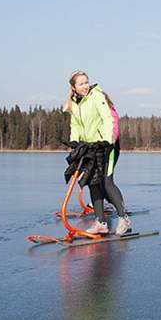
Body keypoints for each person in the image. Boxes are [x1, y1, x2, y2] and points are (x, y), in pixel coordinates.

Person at [65, 71, 130, 235]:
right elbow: (76, 124)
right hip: (90, 147)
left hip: (107, 145)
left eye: (86, 82)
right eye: (81, 84)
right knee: (93, 182)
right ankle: (100, 223)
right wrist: (74, 140)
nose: (85, 86)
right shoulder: (75, 103)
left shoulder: (96, 96)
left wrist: (108, 139)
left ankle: (124, 218)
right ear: (74, 87)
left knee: (106, 182)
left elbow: (108, 118)